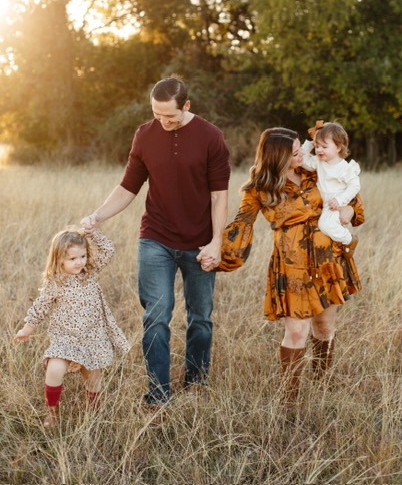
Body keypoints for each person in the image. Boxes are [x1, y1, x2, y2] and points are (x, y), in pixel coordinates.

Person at [81, 76, 230, 407]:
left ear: (186, 106)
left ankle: (196, 384)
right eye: (156, 114)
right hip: (156, 238)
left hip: (200, 242)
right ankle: (158, 394)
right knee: (156, 315)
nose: (163, 121)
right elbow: (128, 186)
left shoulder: (211, 137)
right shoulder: (145, 135)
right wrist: (98, 216)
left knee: (201, 318)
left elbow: (219, 196)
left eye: (170, 116)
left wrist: (216, 242)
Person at [218, 127, 364, 405]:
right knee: (296, 331)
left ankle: (321, 384)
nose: (304, 155)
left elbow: (352, 199)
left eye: (301, 150)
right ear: (278, 157)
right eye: (296, 153)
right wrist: (217, 252)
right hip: (292, 264)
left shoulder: (315, 170)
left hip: (328, 259)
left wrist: (350, 211)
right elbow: (241, 224)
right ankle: (290, 400)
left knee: (324, 326)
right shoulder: (259, 188)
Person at [15, 227, 130, 428]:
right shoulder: (55, 282)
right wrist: (26, 329)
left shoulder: (89, 273)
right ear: (59, 259)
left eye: (83, 256)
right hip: (65, 338)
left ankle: (94, 413)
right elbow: (40, 307)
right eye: (72, 258)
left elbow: (108, 250)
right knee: (54, 369)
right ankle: (52, 412)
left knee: (93, 378)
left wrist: (92, 233)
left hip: (92, 337)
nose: (79, 262)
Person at [301, 120, 361, 260]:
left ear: (338, 147)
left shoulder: (345, 168)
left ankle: (349, 240)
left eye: (324, 146)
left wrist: (340, 200)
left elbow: (355, 186)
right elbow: (302, 160)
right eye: (317, 146)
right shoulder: (318, 161)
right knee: (326, 226)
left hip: (336, 203)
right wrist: (310, 142)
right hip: (326, 203)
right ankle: (341, 243)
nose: (319, 150)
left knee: (325, 225)